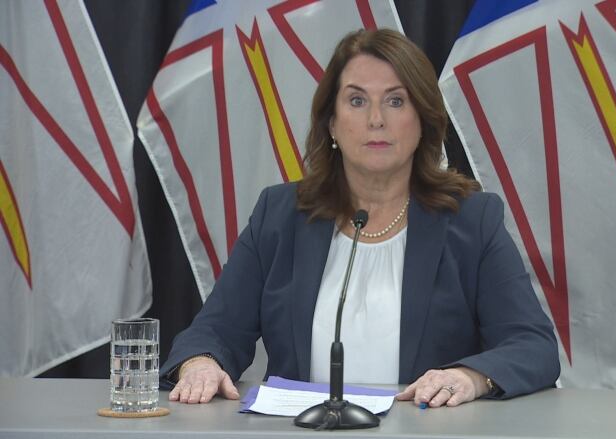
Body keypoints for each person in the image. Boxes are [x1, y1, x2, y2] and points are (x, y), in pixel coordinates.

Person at [160, 28, 560, 409]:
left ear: (422, 120)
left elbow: (532, 345)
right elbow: (214, 331)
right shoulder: (280, 216)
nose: (375, 120)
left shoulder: (471, 220)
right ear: (331, 122)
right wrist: (201, 363)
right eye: (356, 100)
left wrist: (471, 378)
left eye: (395, 101)